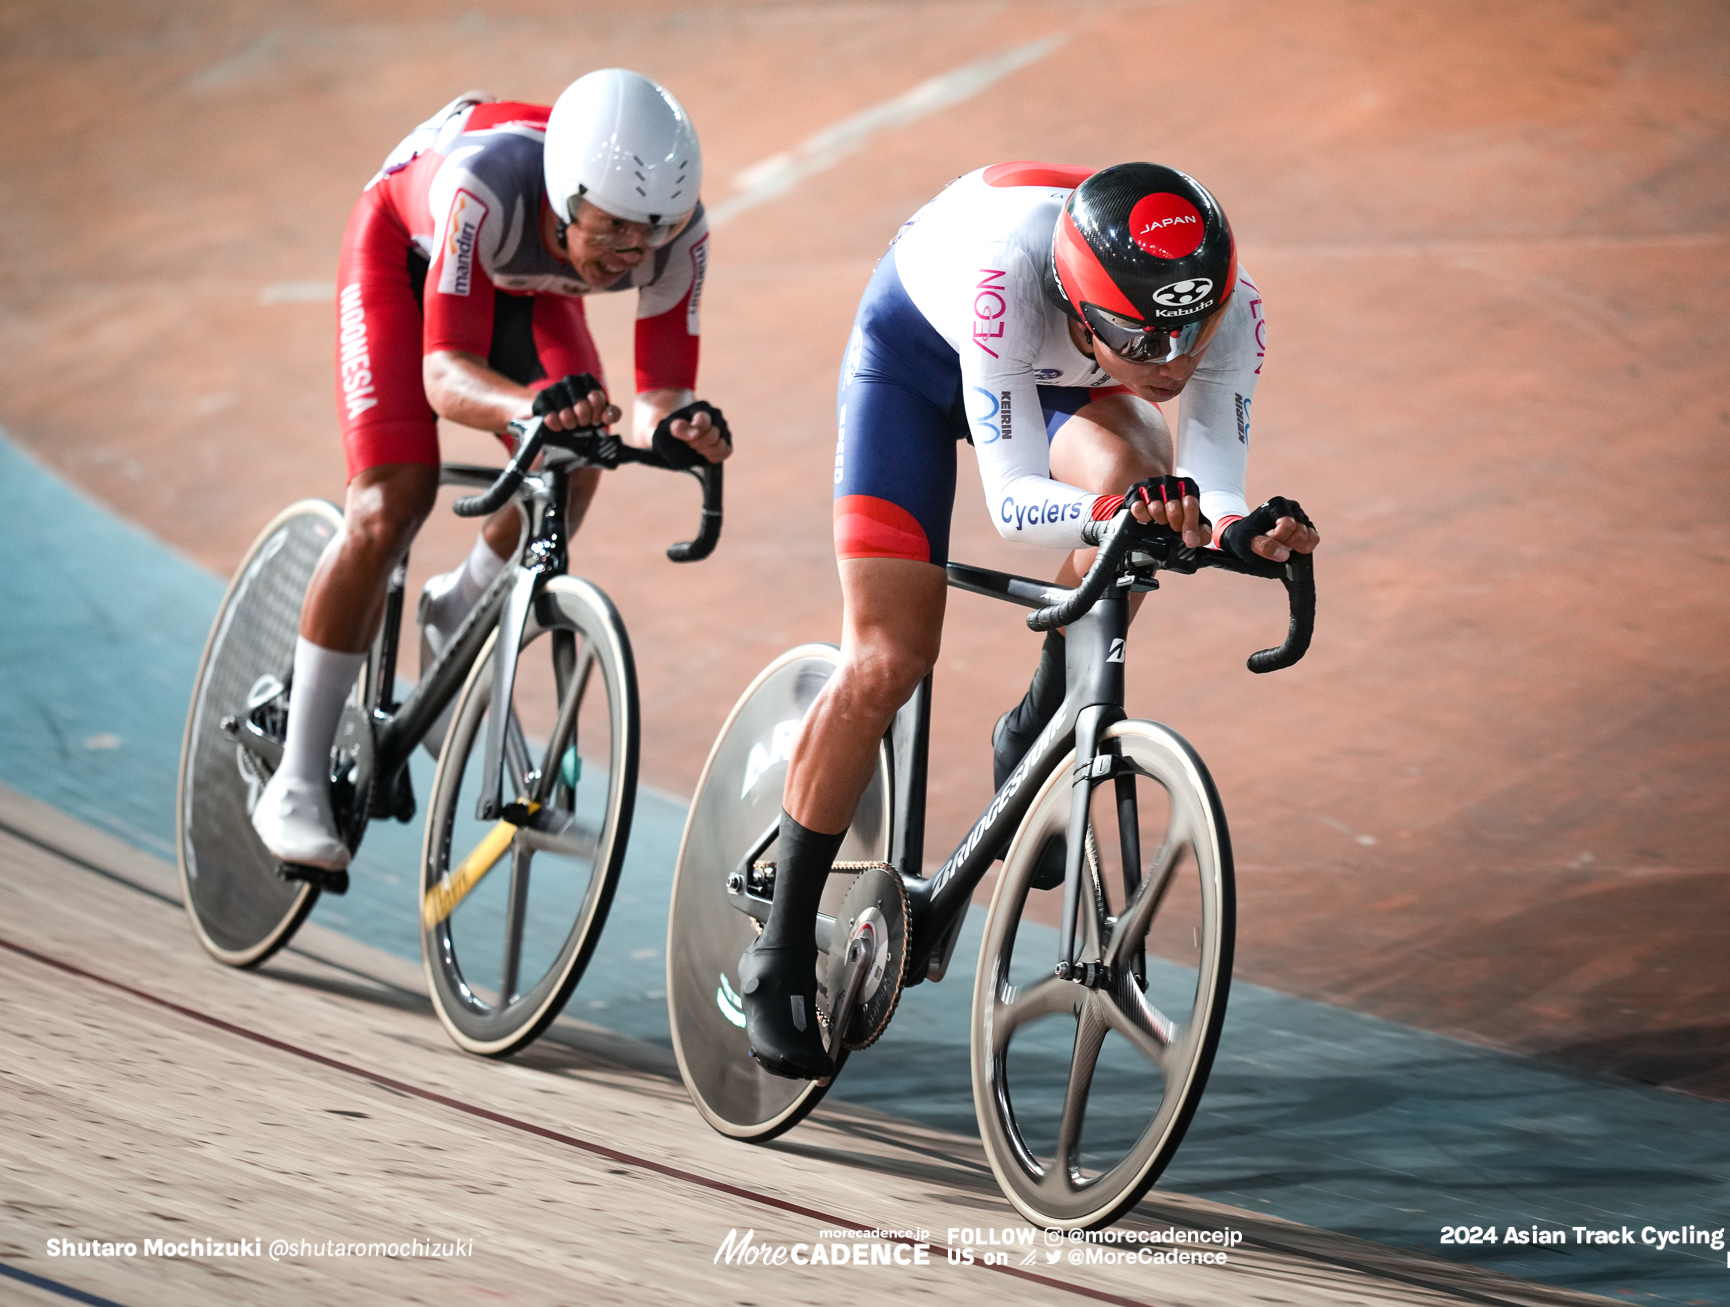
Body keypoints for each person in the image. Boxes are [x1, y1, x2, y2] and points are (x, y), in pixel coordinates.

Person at [740, 161, 1317, 1078]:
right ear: (1086, 315)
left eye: (1189, 339)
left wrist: (1245, 533)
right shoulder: (1009, 275)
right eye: (1147, 343)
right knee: (890, 657)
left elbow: (1211, 493)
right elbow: (1013, 502)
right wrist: (1124, 515)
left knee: (1148, 492)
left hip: (1055, 376)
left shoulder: (1224, 304)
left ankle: (1039, 721)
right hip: (915, 361)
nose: (1172, 364)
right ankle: (775, 950)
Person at [252, 69, 732, 873]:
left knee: (584, 449)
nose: (631, 255)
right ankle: (295, 781)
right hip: (403, 259)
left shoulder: (673, 232)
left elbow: (658, 393)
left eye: (651, 235)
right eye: (613, 229)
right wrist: (527, 410)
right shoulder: (487, 185)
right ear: (566, 195)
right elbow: (446, 375)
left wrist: (681, 424)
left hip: (527, 279)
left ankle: (460, 604)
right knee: (390, 503)